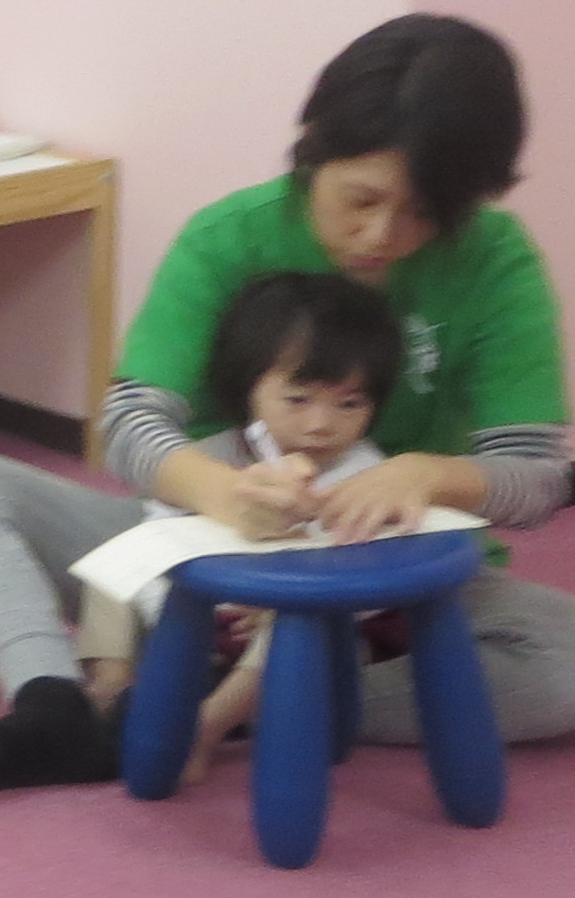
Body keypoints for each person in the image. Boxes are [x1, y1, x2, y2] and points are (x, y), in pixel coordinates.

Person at [0, 13, 575, 791]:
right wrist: (223, 494)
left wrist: (426, 475)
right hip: (196, 552)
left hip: (392, 585)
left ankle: (229, 704)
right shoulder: (228, 238)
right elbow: (130, 424)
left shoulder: (496, 262)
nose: (382, 235)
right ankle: (54, 709)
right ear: (314, 152)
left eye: (425, 214)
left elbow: (536, 477)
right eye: (360, 199)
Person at [74, 273, 405, 781]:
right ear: (250, 387)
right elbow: (164, 537)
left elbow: (373, 575)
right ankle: (111, 691)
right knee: (117, 562)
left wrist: (276, 597)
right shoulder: (213, 456)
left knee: (304, 621)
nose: (321, 424)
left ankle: (207, 726)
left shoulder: (365, 473)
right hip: (208, 613)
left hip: (305, 631)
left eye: (349, 404)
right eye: (298, 400)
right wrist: (188, 603)